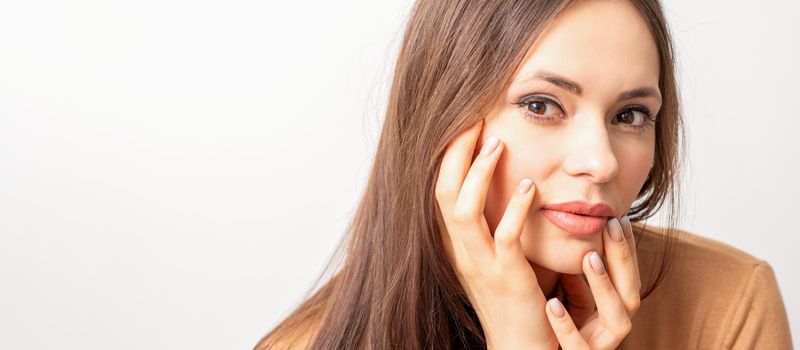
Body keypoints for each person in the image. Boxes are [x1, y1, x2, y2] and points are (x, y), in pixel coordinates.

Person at [256, 0, 792, 348]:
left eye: (630, 116)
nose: (601, 162)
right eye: (542, 105)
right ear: (442, 119)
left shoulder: (727, 306)